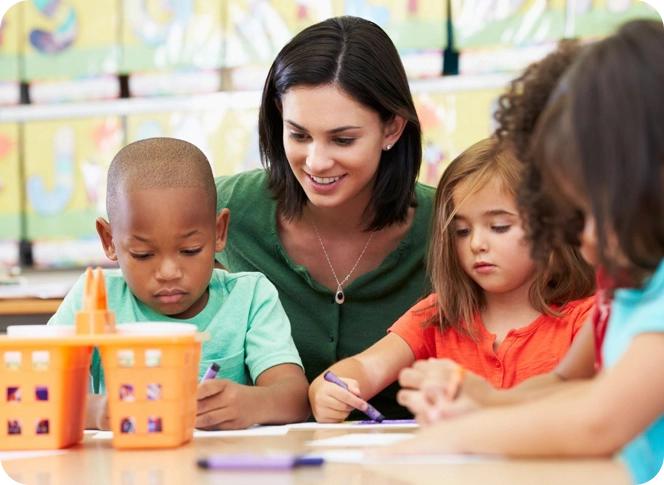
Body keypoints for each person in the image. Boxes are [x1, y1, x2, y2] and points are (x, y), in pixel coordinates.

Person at [382, 20, 664, 485]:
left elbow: (599, 420)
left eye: (591, 214)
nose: (582, 241)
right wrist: (485, 400)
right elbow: (572, 386)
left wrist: (466, 434)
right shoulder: (629, 291)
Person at [215, 16, 434, 419]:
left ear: (392, 128)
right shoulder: (224, 208)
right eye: (298, 134)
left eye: (343, 139)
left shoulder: (452, 224)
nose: (316, 161)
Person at [308, 138, 595, 422]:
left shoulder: (588, 319)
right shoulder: (439, 314)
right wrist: (328, 389)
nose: (476, 244)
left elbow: (593, 409)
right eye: (461, 231)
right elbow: (366, 367)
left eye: (499, 227)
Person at [396, 39, 604, 423]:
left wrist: (469, 424)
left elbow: (599, 421)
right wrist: (482, 400)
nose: (563, 227)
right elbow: (560, 382)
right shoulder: (617, 295)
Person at [48, 138, 310, 430]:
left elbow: (296, 398)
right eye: (143, 254)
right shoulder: (93, 300)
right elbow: (34, 392)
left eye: (190, 250)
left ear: (219, 232)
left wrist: (253, 404)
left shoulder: (249, 297)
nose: (169, 272)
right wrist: (95, 411)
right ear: (109, 241)